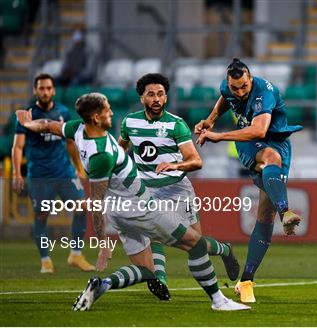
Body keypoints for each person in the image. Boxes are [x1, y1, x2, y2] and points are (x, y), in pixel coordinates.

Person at [15, 93, 250, 312]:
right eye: (107, 111)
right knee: (196, 245)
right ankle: (219, 300)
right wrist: (103, 244)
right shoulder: (102, 154)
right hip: (140, 208)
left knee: (148, 270)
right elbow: (96, 203)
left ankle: (103, 284)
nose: (111, 113)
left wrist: (28, 124)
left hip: (121, 215)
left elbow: (48, 126)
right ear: (96, 117)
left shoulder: (79, 129)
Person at [195, 58, 303, 303]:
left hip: (275, 140)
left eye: (244, 86)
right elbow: (225, 98)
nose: (240, 92)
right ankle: (286, 212)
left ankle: (246, 281)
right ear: (229, 82)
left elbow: (260, 130)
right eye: (236, 88)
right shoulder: (228, 87)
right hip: (249, 143)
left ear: (250, 78)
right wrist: (211, 118)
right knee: (269, 158)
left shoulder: (265, 92)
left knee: (265, 216)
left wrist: (217, 135)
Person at [118, 73, 240, 284]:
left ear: (166, 97)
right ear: (142, 98)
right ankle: (160, 282)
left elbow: (196, 161)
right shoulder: (130, 122)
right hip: (147, 190)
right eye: (151, 94)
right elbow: (120, 149)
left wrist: (174, 165)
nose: (156, 99)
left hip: (177, 188)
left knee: (197, 245)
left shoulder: (176, 125)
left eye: (160, 94)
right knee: (154, 234)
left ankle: (224, 250)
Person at [11, 73, 94, 274]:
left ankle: (75, 254)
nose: (45, 91)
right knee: (41, 215)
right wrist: (16, 173)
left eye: (49, 88)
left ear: (54, 90)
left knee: (82, 207)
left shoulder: (63, 112)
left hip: (64, 171)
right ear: (35, 90)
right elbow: (18, 147)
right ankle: (45, 260)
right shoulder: (26, 116)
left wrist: (78, 167)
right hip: (39, 174)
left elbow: (70, 143)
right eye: (41, 88)